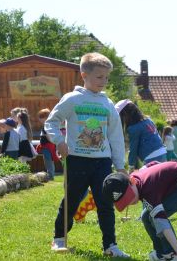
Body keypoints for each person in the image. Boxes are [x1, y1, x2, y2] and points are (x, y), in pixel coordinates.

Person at [45, 52, 129, 257]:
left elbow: (116, 136)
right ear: (84, 74)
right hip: (77, 160)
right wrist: (59, 141)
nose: (104, 81)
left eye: (106, 77)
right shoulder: (72, 99)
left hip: (102, 162)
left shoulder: (108, 104)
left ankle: (110, 245)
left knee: (105, 203)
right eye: (99, 77)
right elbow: (51, 122)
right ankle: (59, 238)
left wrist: (120, 165)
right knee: (72, 200)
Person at [102, 160, 177, 261]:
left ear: (132, 181)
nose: (130, 202)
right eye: (124, 202)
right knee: (145, 216)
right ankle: (162, 253)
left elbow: (162, 222)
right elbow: (152, 164)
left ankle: (172, 254)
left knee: (155, 217)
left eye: (129, 197)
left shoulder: (149, 190)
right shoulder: (136, 177)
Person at [115, 99, 167, 170]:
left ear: (125, 114)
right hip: (162, 151)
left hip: (151, 156)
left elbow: (133, 148)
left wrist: (131, 166)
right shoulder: (148, 120)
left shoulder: (134, 128)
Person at [37, 108, 59, 180]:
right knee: (49, 161)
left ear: (46, 117)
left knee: (48, 161)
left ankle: (50, 175)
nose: (40, 120)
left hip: (47, 146)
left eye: (41, 117)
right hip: (48, 146)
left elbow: (48, 136)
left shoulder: (46, 126)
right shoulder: (48, 125)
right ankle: (51, 174)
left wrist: (52, 142)